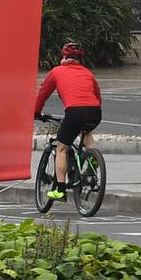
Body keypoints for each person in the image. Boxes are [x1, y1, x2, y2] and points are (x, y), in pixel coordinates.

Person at [34, 40, 102, 198]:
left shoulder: (57, 71)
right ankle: (93, 158)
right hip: (95, 111)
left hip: (74, 111)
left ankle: (60, 189)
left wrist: (36, 112)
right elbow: (97, 95)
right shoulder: (87, 73)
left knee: (62, 149)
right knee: (86, 132)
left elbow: (42, 93)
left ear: (64, 57)